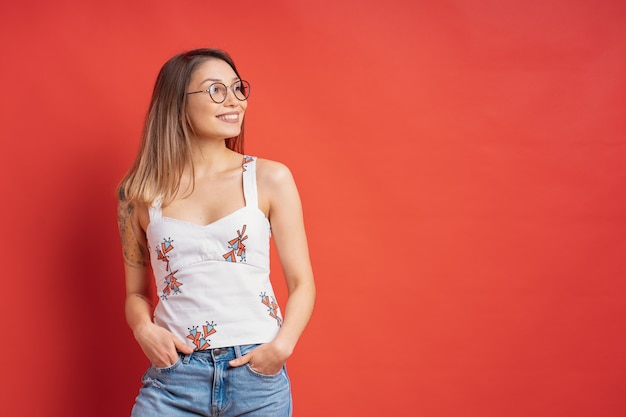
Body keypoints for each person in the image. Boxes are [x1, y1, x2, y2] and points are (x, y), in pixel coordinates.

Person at [117, 48, 315, 417]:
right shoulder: (138, 195)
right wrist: (144, 331)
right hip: (174, 378)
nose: (234, 101)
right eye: (216, 90)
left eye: (238, 89)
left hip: (256, 377)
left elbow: (302, 282)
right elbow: (134, 293)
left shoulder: (269, 178)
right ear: (177, 103)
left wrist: (280, 348)